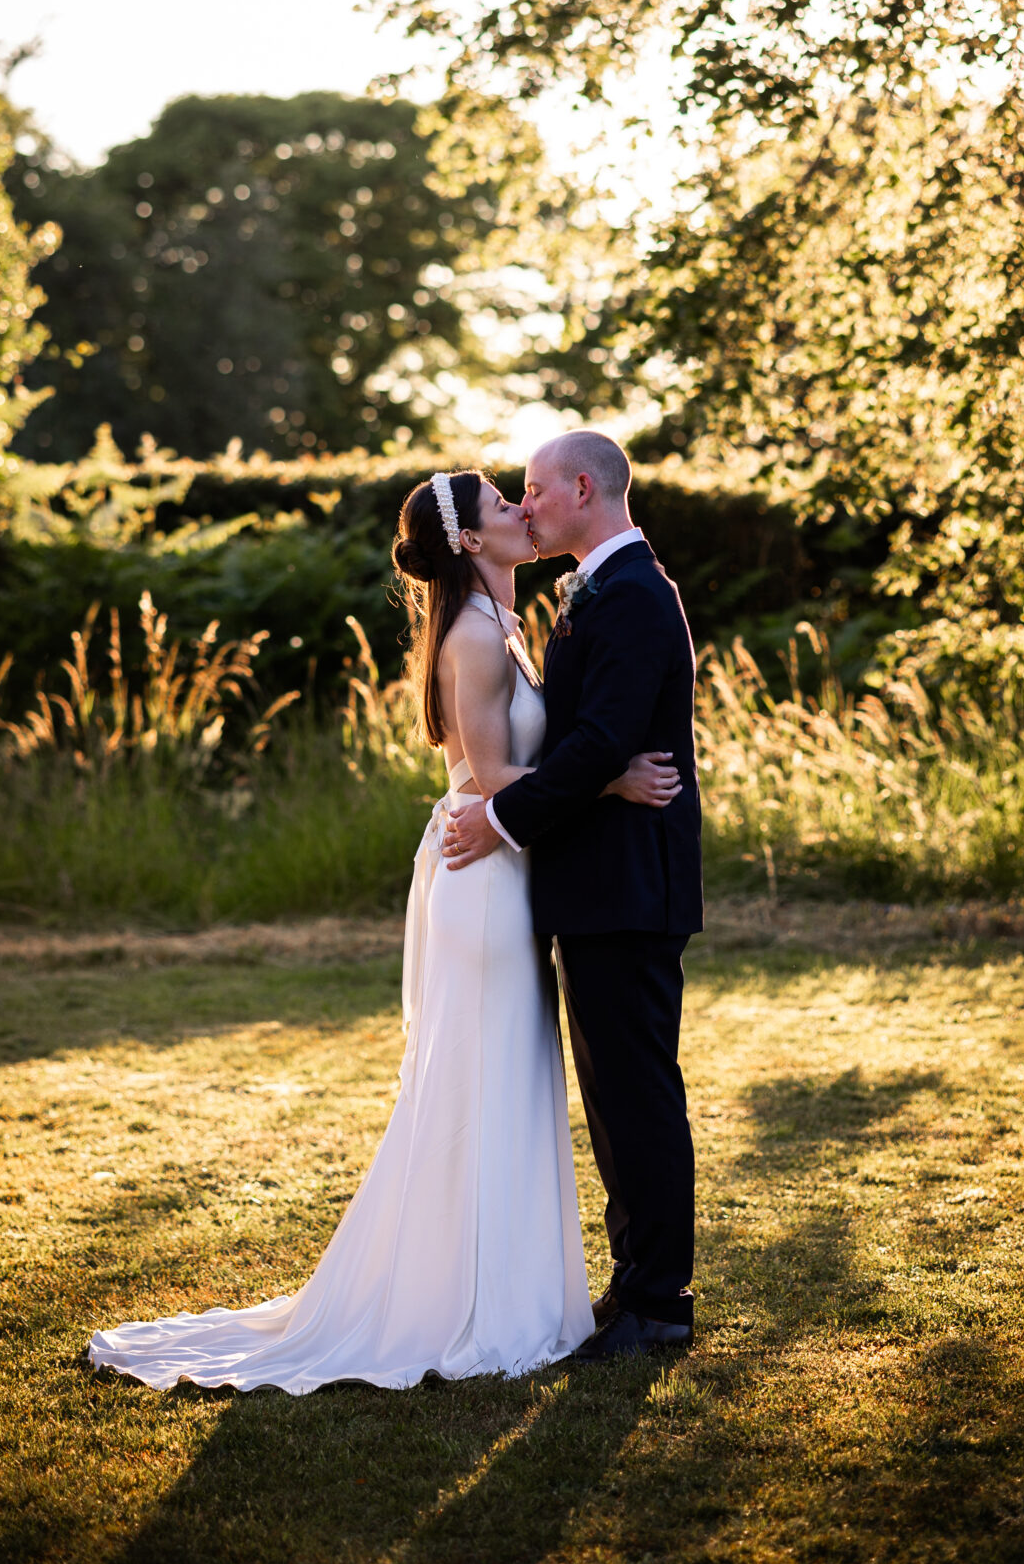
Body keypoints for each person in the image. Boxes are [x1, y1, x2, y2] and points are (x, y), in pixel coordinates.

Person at [87, 469, 678, 1393]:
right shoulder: (478, 636)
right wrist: (609, 781)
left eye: (524, 495)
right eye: (503, 504)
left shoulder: (505, 624)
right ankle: (461, 1303)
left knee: (506, 1079)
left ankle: (503, 1289)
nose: (523, 511)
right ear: (473, 543)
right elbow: (487, 778)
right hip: (482, 876)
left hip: (508, 873)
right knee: (481, 1080)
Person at [444, 432, 703, 1361]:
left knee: (636, 1095)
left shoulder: (632, 593)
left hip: (627, 887)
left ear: (581, 489)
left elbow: (597, 741)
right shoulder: (593, 588)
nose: (526, 505)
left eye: (534, 489)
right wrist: (572, 786)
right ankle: (634, 1285)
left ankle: (658, 1305)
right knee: (616, 1096)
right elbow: (589, 750)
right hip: (598, 884)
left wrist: (503, 821)